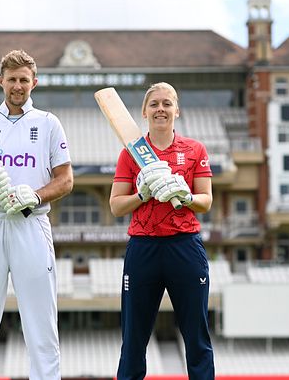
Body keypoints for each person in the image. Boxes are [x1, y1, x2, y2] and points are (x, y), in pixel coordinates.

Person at [0, 49, 73, 380]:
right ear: (1, 82)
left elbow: (65, 180)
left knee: (41, 327)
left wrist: (35, 195)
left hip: (30, 223)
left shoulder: (48, 124)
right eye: (12, 80)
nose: (18, 86)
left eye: (24, 80)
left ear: (34, 82)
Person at [109, 82, 215, 380]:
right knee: (133, 339)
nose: (160, 109)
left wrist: (187, 198)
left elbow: (205, 201)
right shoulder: (131, 153)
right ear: (144, 112)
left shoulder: (194, 150)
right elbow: (116, 206)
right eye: (154, 104)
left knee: (197, 338)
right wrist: (142, 194)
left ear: (176, 110)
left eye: (167, 103)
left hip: (185, 246)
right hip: (144, 248)